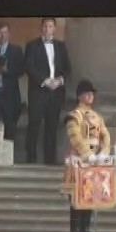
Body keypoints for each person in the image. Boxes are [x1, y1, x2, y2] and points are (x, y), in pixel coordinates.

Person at [60, 79, 112, 232]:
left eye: (91, 94)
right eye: (87, 93)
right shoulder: (74, 116)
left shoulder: (97, 117)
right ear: (80, 96)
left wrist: (103, 152)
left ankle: (85, 227)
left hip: (94, 160)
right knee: (77, 197)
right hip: (79, 160)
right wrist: (86, 154)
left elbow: (105, 136)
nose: (90, 96)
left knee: (90, 195)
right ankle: (76, 229)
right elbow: (75, 137)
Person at [24, 17, 71, 165]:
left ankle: (50, 160)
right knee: (34, 125)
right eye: (45, 26)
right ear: (41, 28)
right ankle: (31, 159)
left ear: (54, 29)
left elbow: (68, 68)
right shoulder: (32, 45)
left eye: (50, 26)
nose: (47, 29)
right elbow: (29, 67)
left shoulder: (61, 46)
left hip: (56, 93)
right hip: (38, 91)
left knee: (52, 126)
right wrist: (45, 81)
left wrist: (59, 80)